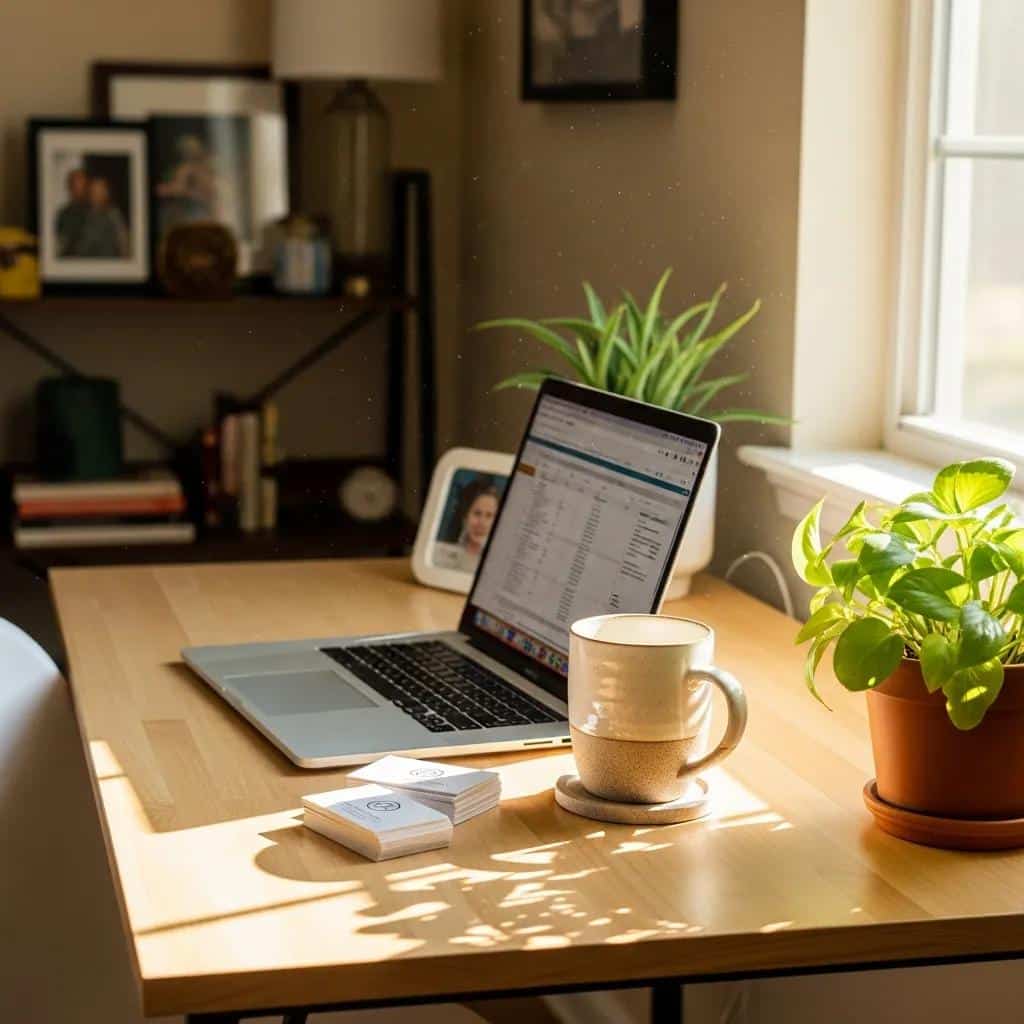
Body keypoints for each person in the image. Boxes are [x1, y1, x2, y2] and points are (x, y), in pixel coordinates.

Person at [433, 477, 501, 573]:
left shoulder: (499, 561)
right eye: (477, 513)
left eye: (489, 515)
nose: (482, 522)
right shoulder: (440, 552)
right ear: (465, 517)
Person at [75, 177, 129, 259]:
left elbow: (123, 243)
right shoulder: (83, 216)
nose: (97, 194)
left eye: (100, 190)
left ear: (106, 193)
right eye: (94, 191)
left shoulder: (113, 215)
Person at [55, 168, 89, 258]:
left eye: (83, 185)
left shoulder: (95, 212)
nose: (79, 189)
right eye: (75, 185)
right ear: (69, 187)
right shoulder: (63, 214)